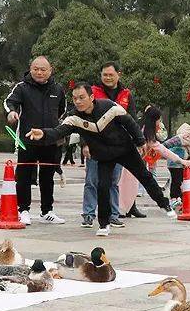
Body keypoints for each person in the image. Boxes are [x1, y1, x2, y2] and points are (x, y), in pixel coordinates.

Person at [25, 82, 175, 237]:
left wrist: (140, 141)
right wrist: (43, 133)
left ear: (91, 97)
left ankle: (165, 204)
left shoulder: (109, 107)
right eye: (75, 98)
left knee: (144, 176)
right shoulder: (74, 117)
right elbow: (59, 131)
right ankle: (104, 224)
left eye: (82, 97)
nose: (78, 101)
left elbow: (129, 122)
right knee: (102, 186)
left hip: (125, 149)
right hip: (103, 155)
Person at [4, 56, 67, 225]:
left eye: (43, 69)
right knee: (24, 175)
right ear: (30, 69)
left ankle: (47, 211)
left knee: (48, 176)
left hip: (49, 139)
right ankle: (23, 210)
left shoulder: (58, 89)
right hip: (27, 139)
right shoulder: (22, 87)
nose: (39, 72)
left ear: (50, 70)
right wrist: (11, 112)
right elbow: (9, 102)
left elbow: (63, 110)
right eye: (36, 69)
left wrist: (54, 129)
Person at [81, 62, 134, 227]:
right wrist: (85, 144)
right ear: (101, 75)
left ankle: (113, 215)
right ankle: (88, 214)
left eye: (111, 74)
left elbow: (131, 120)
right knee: (92, 181)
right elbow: (83, 119)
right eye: (105, 75)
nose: (108, 78)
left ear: (119, 74)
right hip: (95, 143)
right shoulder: (92, 93)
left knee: (112, 182)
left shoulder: (126, 94)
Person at [161, 122, 190, 207]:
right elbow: (175, 140)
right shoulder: (189, 136)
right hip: (176, 163)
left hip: (178, 162)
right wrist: (162, 147)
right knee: (176, 181)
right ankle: (174, 199)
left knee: (178, 180)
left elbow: (186, 150)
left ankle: (180, 197)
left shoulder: (189, 137)